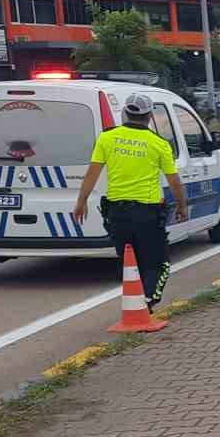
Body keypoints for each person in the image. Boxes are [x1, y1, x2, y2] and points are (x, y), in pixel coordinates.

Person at [72, 93, 189, 311]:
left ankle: (137, 304)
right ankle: (147, 302)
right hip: (147, 214)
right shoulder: (159, 144)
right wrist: (182, 206)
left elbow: (92, 173)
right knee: (158, 263)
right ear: (149, 116)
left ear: (126, 113)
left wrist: (81, 202)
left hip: (117, 214)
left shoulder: (107, 138)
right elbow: (174, 181)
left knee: (129, 262)